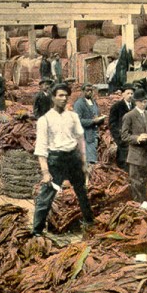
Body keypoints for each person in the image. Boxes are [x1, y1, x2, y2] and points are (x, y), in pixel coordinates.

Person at [32, 83, 94, 236]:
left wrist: (84, 162)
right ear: (53, 98)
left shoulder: (73, 117)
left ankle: (90, 223)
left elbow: (80, 139)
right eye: (60, 95)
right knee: (46, 196)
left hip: (73, 158)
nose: (63, 98)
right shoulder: (44, 120)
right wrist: (45, 172)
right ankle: (37, 231)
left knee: (82, 192)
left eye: (66, 95)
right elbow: (41, 148)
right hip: (56, 160)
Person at [121, 89, 147, 202]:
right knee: (136, 181)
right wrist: (137, 138)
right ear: (136, 102)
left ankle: (144, 203)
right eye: (141, 102)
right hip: (136, 155)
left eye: (145, 102)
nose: (144, 104)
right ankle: (138, 204)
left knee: (145, 180)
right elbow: (124, 136)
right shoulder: (129, 116)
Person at [73, 83, 106, 168]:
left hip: (94, 133)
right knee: (89, 158)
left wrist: (100, 119)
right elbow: (78, 120)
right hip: (85, 134)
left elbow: (97, 115)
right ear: (83, 91)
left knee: (93, 152)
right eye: (87, 90)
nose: (89, 92)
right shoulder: (79, 104)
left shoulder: (94, 102)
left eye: (91, 90)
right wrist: (92, 121)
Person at [109, 83, 135, 171]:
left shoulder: (135, 107)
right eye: (128, 93)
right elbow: (112, 124)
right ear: (123, 94)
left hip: (134, 139)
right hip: (122, 140)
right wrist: (119, 138)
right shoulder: (116, 107)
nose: (130, 96)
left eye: (132, 93)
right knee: (124, 164)